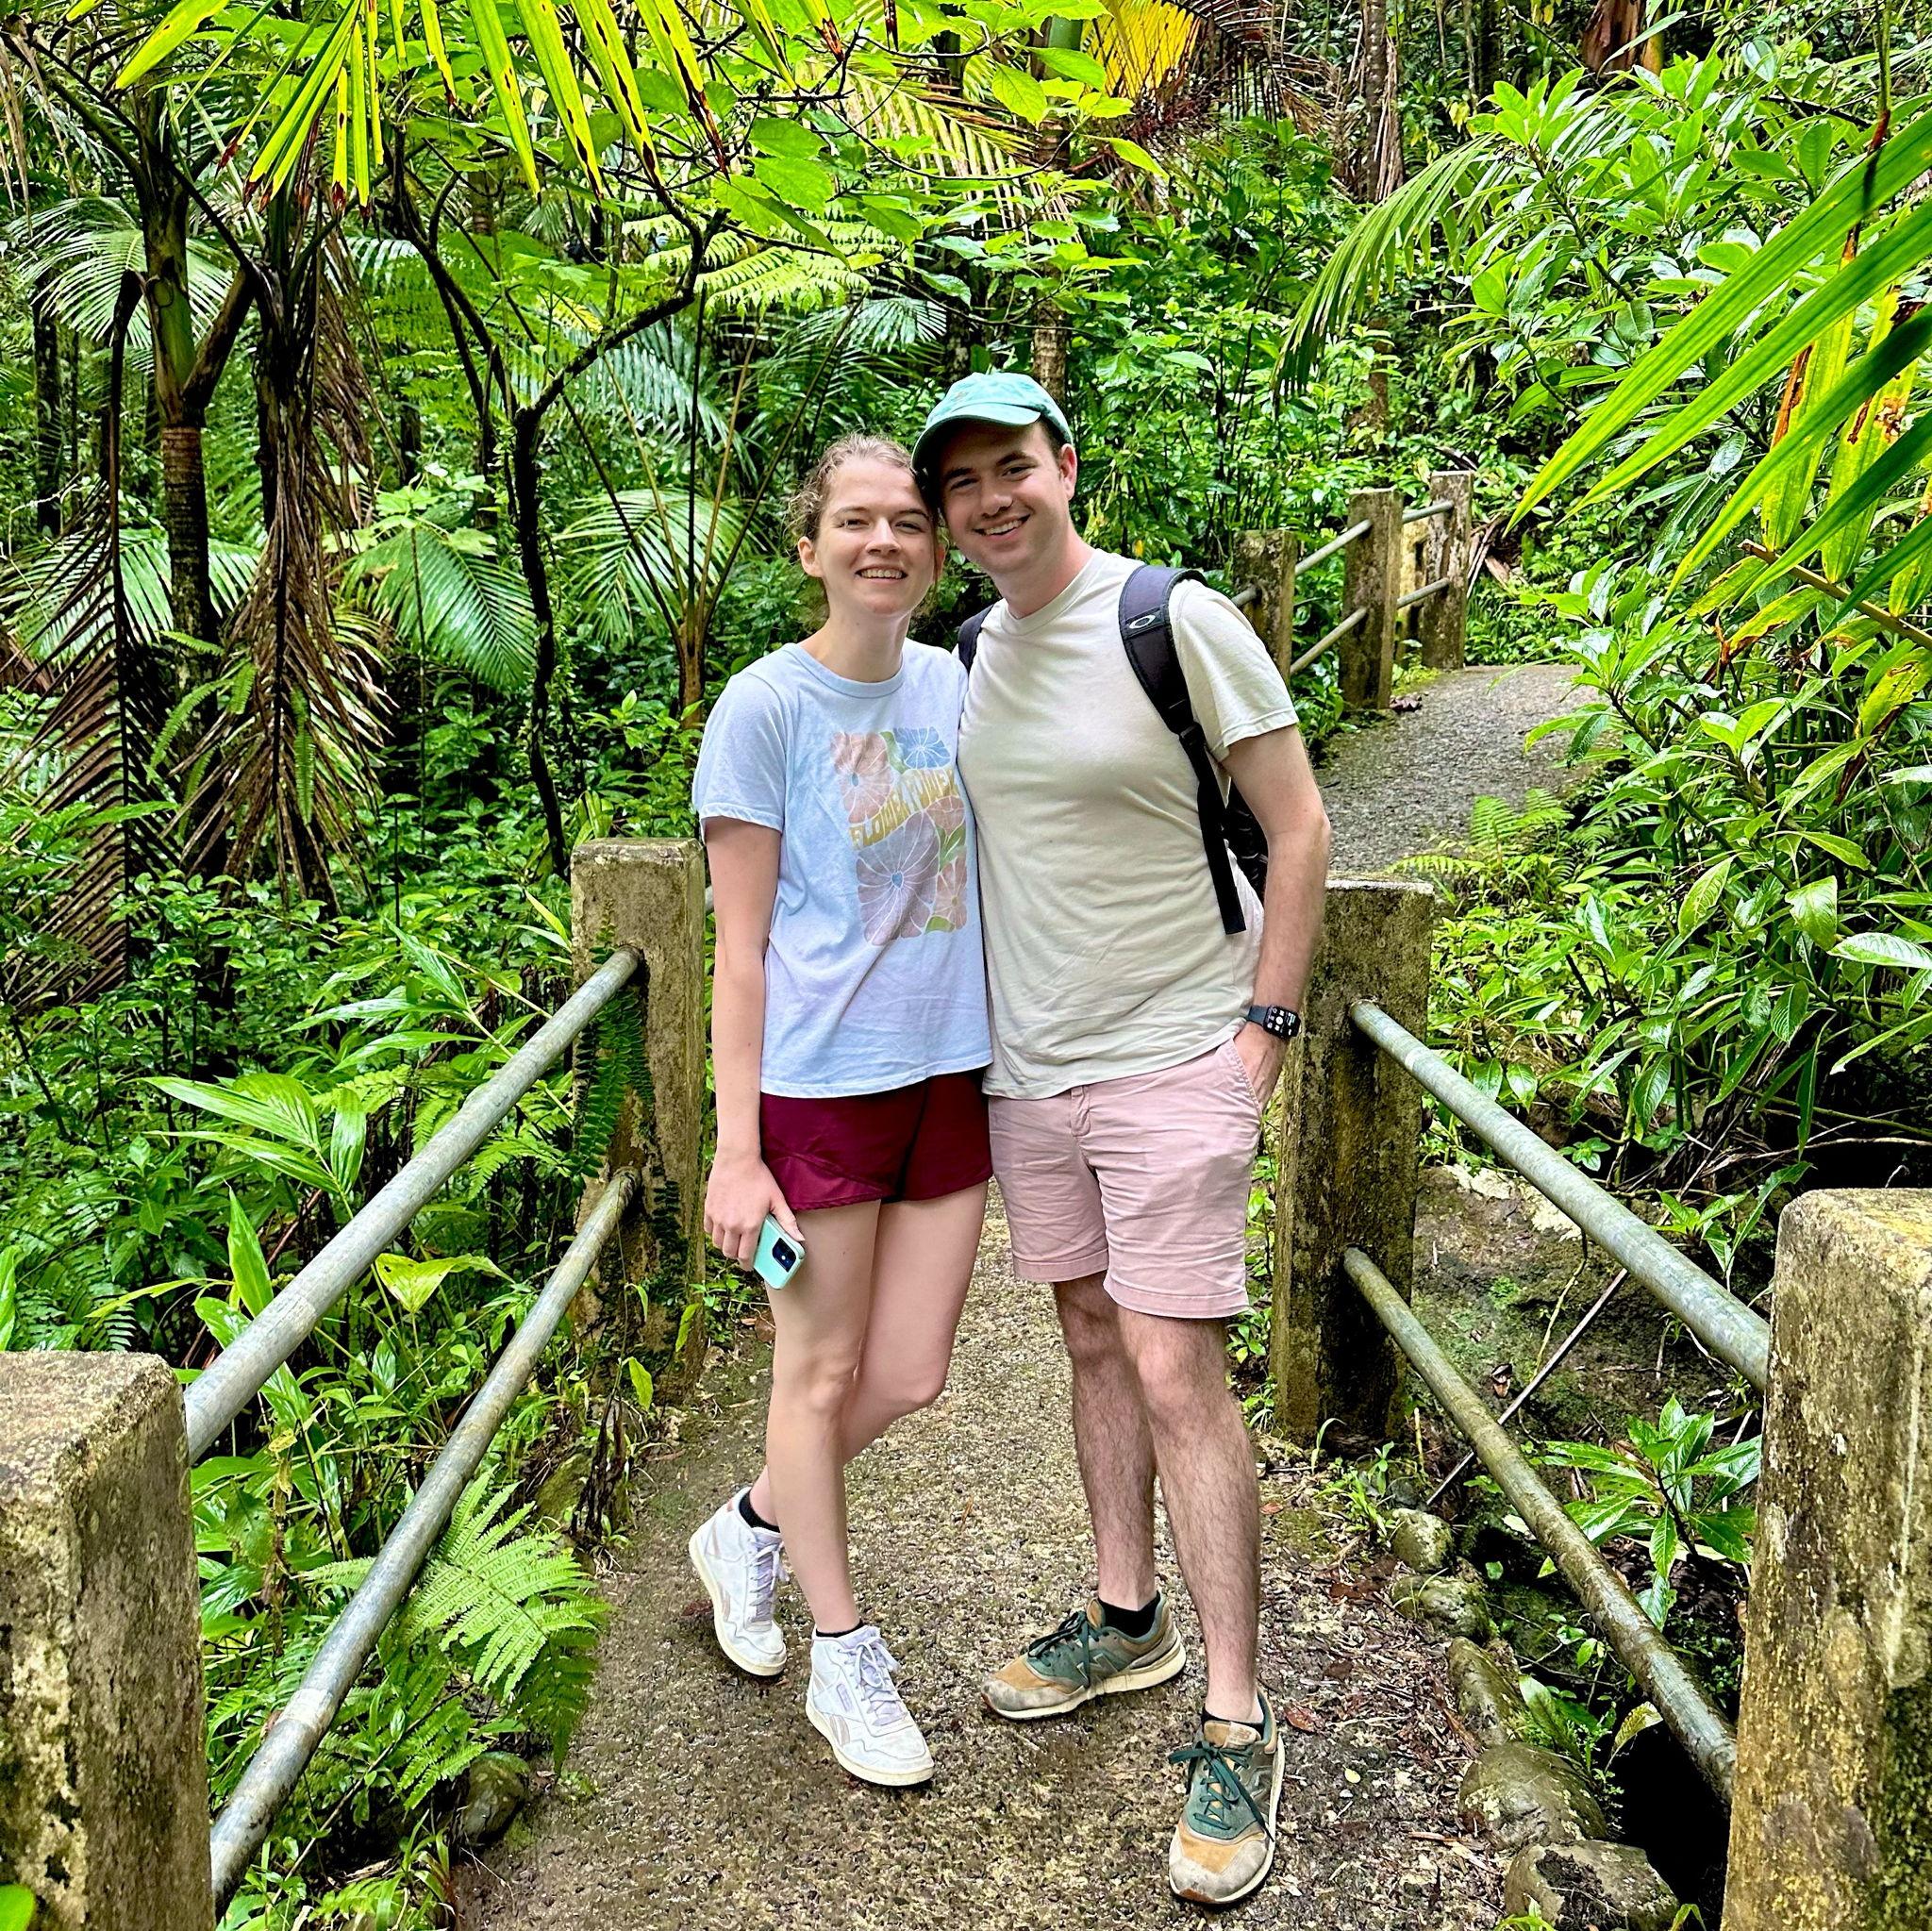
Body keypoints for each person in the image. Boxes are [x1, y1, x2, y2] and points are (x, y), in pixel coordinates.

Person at [913, 373, 1331, 1905]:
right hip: (1034, 1074)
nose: (992, 501)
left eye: (1012, 468)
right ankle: (1125, 1617)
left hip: (1177, 1058)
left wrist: (1259, 1043)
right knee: (1091, 1339)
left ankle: (1239, 1714)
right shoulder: (964, 655)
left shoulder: (1175, 620)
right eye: (963, 486)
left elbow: (1300, 826)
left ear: (1064, 467)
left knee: (1173, 1367)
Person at [686, 433, 992, 1789]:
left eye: (909, 521)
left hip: (952, 1070)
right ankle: (842, 1653)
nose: (887, 541)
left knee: (911, 1372)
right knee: (812, 1373)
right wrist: (736, 1150)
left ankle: (748, 1521)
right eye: (855, 521)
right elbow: (737, 946)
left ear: (936, 548)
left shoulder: (963, 680)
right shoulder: (765, 708)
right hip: (820, 1088)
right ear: (809, 546)